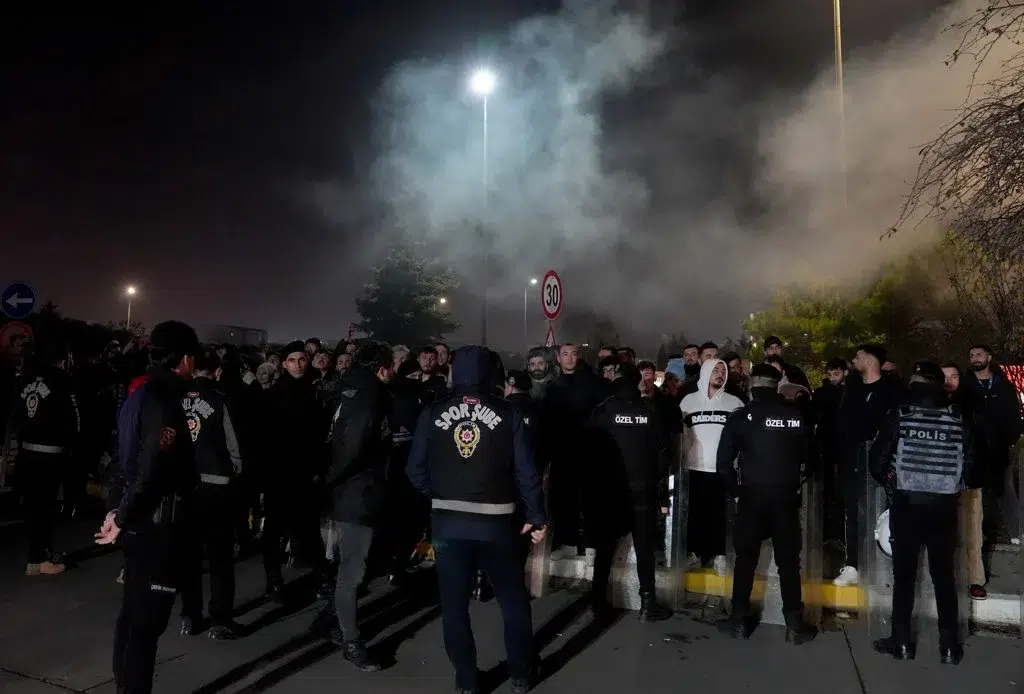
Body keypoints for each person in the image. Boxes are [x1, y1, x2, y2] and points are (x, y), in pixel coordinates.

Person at [407, 346, 546, 694]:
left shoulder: (432, 412)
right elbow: (527, 472)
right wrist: (536, 515)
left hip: (448, 527)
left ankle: (467, 682)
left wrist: (440, 497)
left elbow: (415, 470)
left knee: (454, 607)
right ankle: (521, 673)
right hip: (498, 525)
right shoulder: (508, 413)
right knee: (512, 601)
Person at [97, 320, 201, 694]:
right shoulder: (162, 399)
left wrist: (115, 513)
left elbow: (120, 461)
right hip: (158, 527)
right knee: (145, 625)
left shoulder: (139, 394)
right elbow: (150, 468)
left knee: (132, 618)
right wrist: (121, 515)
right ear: (185, 359)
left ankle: (126, 686)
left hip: (140, 524)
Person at [868, 361, 977, 665]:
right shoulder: (958, 418)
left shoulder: (901, 415)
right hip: (944, 506)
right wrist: (954, 485)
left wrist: (893, 483)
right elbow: (974, 466)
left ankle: (901, 642)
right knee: (944, 577)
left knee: (904, 577)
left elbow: (877, 462)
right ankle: (950, 647)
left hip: (908, 504)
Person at [715, 364, 818, 644]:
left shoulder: (741, 417)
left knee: (745, 561)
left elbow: (722, 464)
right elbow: (809, 462)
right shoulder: (795, 416)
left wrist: (737, 492)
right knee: (788, 563)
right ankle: (794, 624)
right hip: (785, 499)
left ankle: (738, 621)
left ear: (752, 385)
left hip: (751, 498)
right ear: (776, 385)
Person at [321, 342, 394, 671]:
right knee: (351, 572)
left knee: (347, 568)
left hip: (348, 493)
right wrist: (334, 478)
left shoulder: (346, 389)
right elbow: (355, 446)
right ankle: (350, 640)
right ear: (381, 366)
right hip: (357, 494)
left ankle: (338, 623)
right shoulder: (369, 396)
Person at [586, 362, 673, 622]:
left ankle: (598, 603)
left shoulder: (603, 412)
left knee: (605, 548)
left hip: (610, 492)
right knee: (644, 548)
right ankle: (648, 604)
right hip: (642, 490)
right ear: (637, 382)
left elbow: (588, 454)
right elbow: (663, 457)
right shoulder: (650, 413)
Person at [178, 347, 245, 639]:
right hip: (217, 484)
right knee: (219, 557)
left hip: (185, 485)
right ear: (217, 371)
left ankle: (190, 616)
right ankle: (220, 619)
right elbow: (234, 447)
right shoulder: (221, 400)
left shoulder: (176, 399)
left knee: (189, 555)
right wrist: (237, 474)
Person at [13, 337, 80, 576]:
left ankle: (35, 557)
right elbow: (74, 420)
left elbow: (15, 414)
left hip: (26, 452)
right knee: (45, 509)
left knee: (33, 508)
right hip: (50, 455)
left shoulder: (23, 379)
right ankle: (40, 557)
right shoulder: (61, 380)